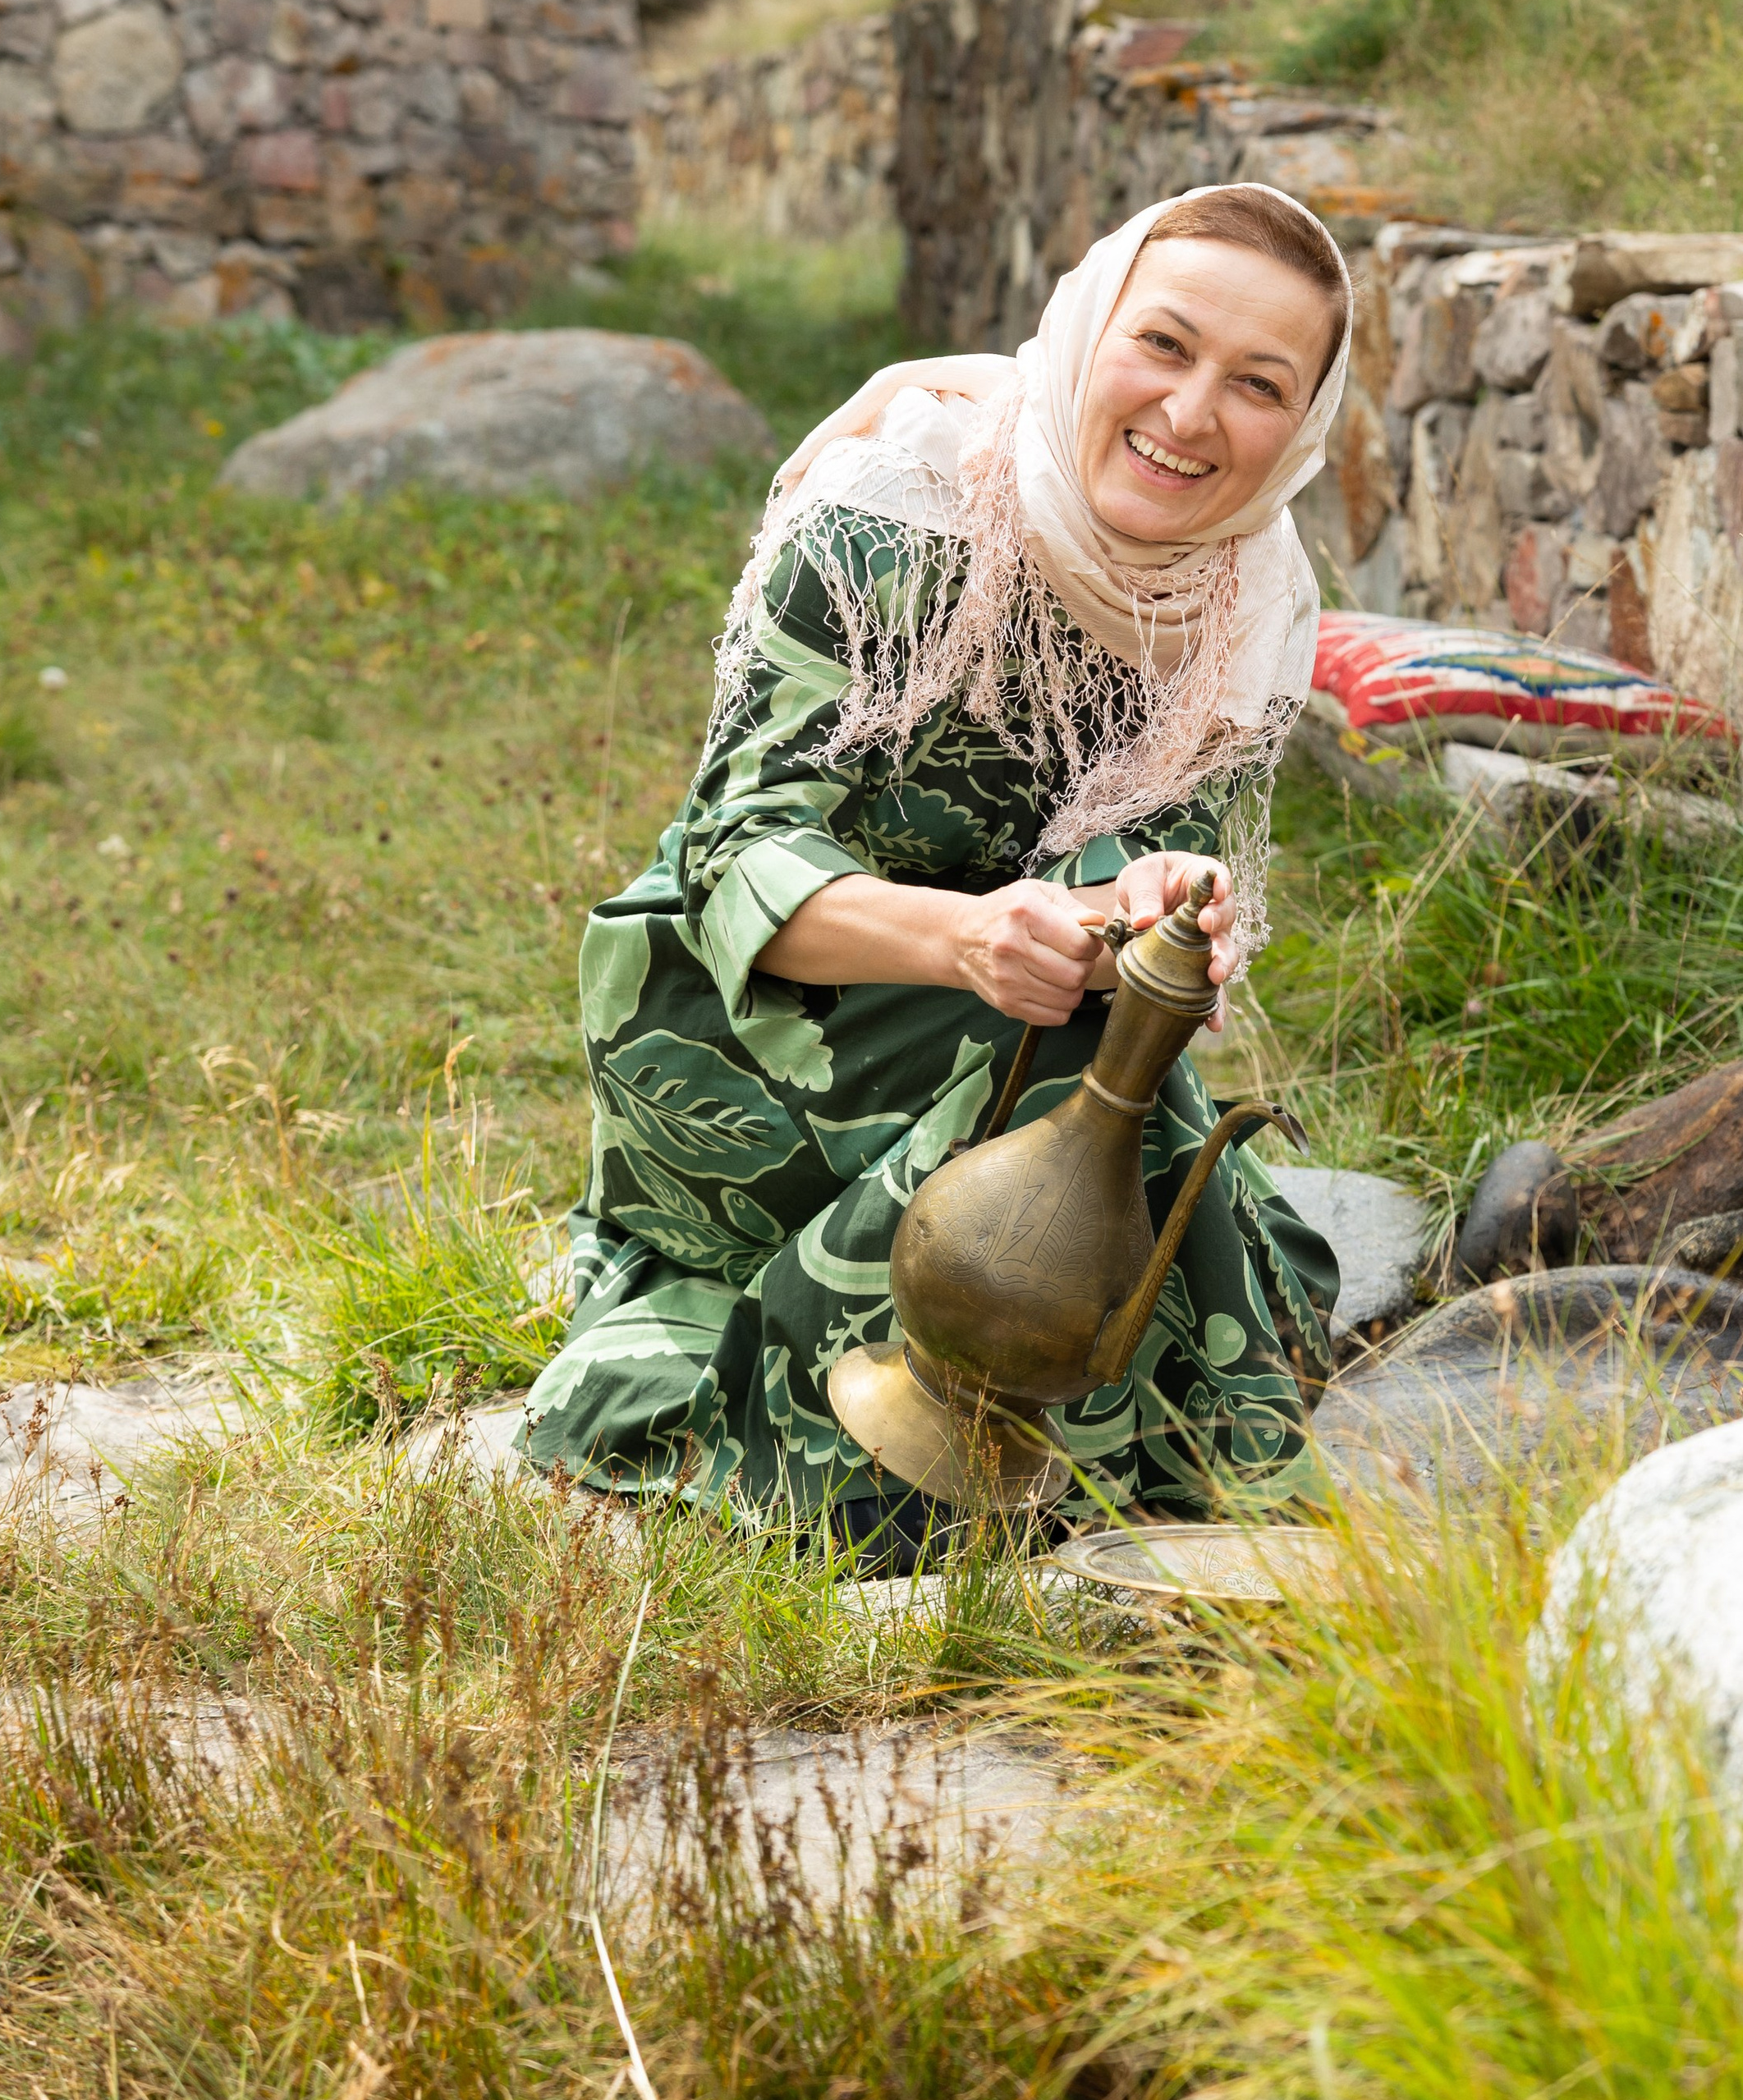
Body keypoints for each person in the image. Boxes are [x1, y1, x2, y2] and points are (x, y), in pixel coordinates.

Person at [522, 183, 1349, 1552]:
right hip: (750, 1010)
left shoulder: (1246, 595)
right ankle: (873, 1426)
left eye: (1258, 383)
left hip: (1028, 1006)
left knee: (1123, 1062)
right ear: (1087, 330)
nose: (1194, 415)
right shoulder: (898, 513)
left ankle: (1001, 1388)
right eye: (1163, 345)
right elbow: (738, 857)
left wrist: (1163, 904)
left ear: (1306, 424)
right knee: (1120, 1151)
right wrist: (968, 940)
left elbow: (1159, 849)